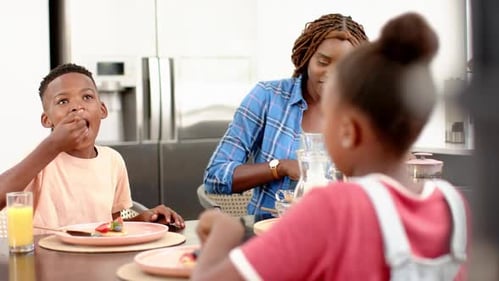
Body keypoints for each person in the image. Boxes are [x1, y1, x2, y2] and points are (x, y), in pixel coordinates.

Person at [192, 12, 470, 280]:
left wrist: (225, 233)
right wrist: (280, 168)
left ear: (348, 131)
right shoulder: (457, 208)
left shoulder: (329, 207)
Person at [204, 13, 368, 215]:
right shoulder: (267, 98)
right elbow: (215, 177)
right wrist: (279, 167)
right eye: (323, 62)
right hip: (271, 231)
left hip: (336, 231)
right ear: (307, 57)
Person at [0, 63, 185, 230]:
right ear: (47, 120)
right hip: (48, 261)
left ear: (102, 110)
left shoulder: (113, 161)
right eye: (63, 101)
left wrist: (143, 220)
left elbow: (112, 228)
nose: (77, 107)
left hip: (96, 260)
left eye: (87, 97)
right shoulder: (40, 160)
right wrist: (53, 145)